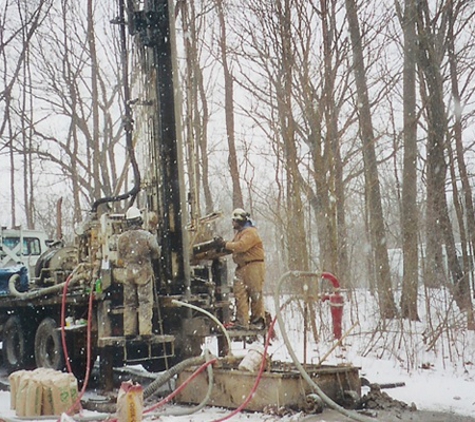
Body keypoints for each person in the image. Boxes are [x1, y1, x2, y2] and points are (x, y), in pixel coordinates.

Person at [218, 208, 266, 330]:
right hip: (241, 267)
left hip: (253, 266)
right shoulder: (240, 233)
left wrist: (224, 244)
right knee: (240, 294)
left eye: (235, 221)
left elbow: (241, 246)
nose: (233, 223)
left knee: (255, 293)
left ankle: (258, 320)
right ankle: (242, 321)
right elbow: (231, 248)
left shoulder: (250, 232)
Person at [117, 206, 160, 338]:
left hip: (129, 273)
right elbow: (156, 253)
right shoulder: (147, 236)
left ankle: (129, 331)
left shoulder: (121, 238)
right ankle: (145, 332)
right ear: (140, 220)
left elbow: (120, 257)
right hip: (144, 273)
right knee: (145, 302)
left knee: (129, 303)